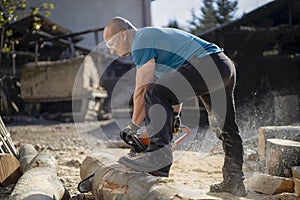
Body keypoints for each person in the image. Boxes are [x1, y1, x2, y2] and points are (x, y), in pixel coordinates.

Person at [103, 16, 246, 196]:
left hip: (207, 65)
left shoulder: (140, 41)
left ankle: (158, 159)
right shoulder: (155, 43)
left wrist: (133, 126)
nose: (111, 50)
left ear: (123, 34)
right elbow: (175, 91)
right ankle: (235, 182)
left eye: (111, 43)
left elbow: (143, 91)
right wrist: (175, 118)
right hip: (223, 66)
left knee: (153, 92)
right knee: (226, 128)